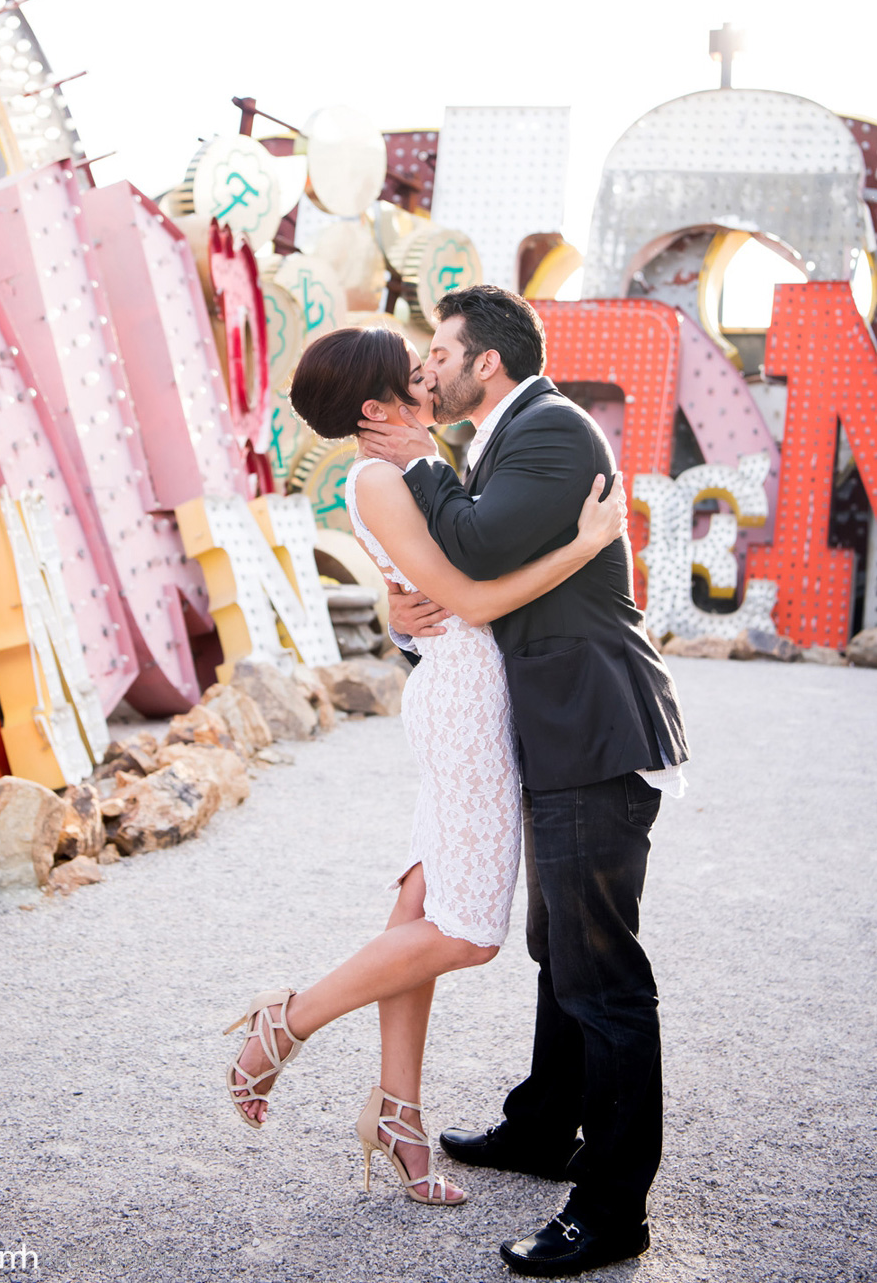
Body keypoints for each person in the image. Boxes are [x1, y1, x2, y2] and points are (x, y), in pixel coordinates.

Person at [223, 324, 627, 1212]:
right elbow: (475, 596)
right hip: (467, 703)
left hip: (463, 685)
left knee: (419, 902)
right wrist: (587, 546)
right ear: (375, 407)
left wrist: (405, 608)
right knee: (470, 932)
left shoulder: (400, 469)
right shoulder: (379, 477)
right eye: (414, 372)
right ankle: (283, 1022)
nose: (429, 376)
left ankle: (398, 1116)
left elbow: (442, 581)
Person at [359, 285, 690, 1276]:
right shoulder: (508, 435)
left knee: (603, 977)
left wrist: (412, 459)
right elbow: (458, 584)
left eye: (440, 352)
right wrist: (396, 600)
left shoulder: (548, 432)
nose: (426, 370)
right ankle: (545, 1125)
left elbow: (469, 546)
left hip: (590, 727)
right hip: (556, 731)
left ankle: (612, 1209)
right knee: (561, 949)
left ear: (486, 363)